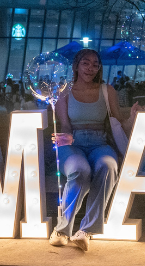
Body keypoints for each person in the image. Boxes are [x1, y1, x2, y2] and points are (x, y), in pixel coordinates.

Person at [50, 49, 138, 251]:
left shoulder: (107, 91)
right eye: (86, 63)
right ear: (76, 66)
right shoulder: (64, 92)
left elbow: (119, 122)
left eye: (95, 64)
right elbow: (64, 126)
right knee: (80, 171)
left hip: (100, 143)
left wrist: (132, 118)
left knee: (108, 166)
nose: (91, 68)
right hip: (73, 143)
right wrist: (63, 139)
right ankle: (62, 230)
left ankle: (86, 231)